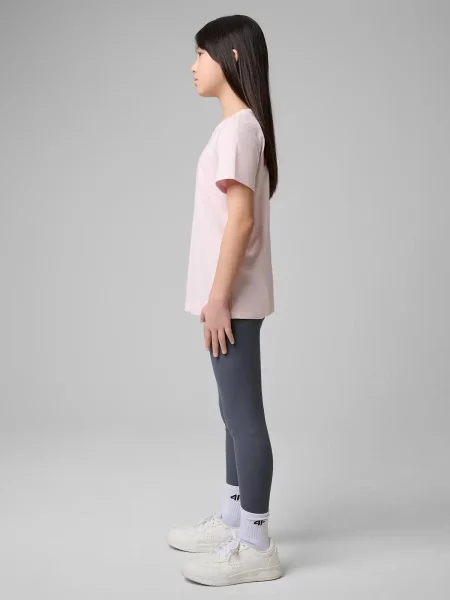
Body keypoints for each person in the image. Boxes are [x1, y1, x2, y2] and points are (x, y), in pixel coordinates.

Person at [166, 14, 282, 586]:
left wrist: (217, 299)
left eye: (200, 54)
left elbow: (240, 223)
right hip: (226, 299)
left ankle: (256, 543)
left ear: (231, 58)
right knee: (231, 413)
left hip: (229, 299)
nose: (192, 66)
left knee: (243, 416)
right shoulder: (238, 128)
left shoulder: (239, 130)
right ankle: (235, 518)